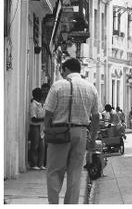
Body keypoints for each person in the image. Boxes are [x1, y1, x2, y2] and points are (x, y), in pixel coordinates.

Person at [44, 57, 99, 204]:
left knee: (55, 171)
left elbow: (48, 113)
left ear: (66, 69)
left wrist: (46, 131)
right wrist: (92, 139)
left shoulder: (58, 86)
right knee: (75, 173)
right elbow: (96, 117)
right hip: (81, 133)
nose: (61, 74)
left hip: (60, 132)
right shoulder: (91, 88)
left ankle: (54, 204)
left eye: (62, 71)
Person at [29, 87, 45, 170]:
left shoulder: (41, 104)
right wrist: (44, 119)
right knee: (35, 146)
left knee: (42, 146)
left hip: (41, 126)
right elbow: (33, 118)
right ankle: (34, 163)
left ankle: (40, 164)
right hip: (35, 126)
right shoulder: (33, 105)